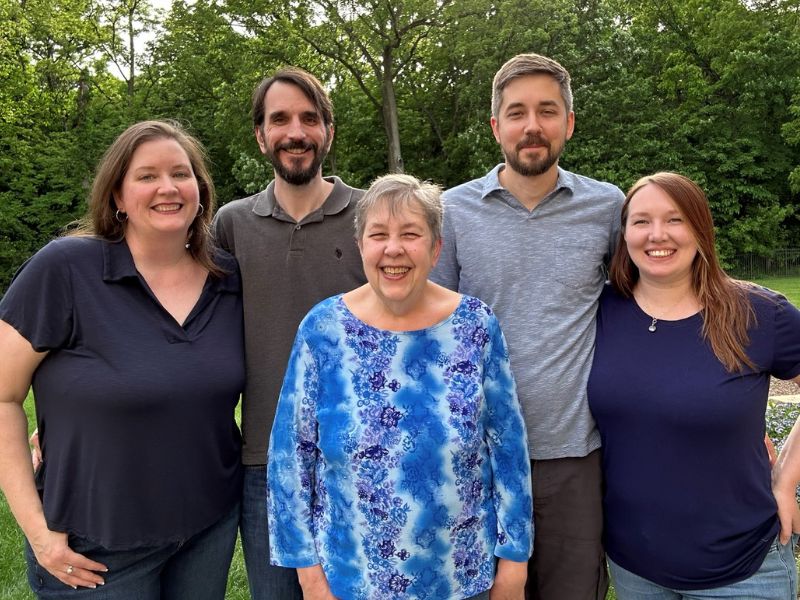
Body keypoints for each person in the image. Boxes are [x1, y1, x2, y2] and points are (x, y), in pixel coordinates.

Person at [0, 120, 244, 598]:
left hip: (208, 526)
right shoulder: (65, 269)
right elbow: (3, 396)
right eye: (147, 176)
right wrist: (38, 533)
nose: (168, 187)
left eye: (181, 173)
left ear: (200, 189)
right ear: (117, 195)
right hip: (95, 544)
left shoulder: (228, 279)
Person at [267, 173, 532, 600]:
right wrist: (310, 578)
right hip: (351, 580)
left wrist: (514, 563)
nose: (394, 249)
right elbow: (290, 458)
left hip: (461, 580)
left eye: (411, 233)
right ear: (361, 247)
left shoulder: (476, 326)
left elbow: (509, 450)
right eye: (379, 235)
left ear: (435, 247)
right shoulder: (323, 329)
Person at [430, 53, 623, 599]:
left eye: (547, 110)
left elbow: (652, 296)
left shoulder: (608, 207)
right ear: (496, 127)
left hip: (573, 456)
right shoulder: (451, 211)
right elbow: (427, 324)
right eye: (516, 113)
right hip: (476, 454)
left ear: (569, 122)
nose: (532, 125)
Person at [587, 172, 800, 599]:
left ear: (701, 229)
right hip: (635, 568)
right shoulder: (598, 310)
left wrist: (786, 477)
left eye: (675, 219)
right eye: (641, 221)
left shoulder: (758, 312)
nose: (657, 234)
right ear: (624, 233)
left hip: (744, 568)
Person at [212, 66, 366, 599]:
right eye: (279, 119)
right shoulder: (230, 225)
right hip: (267, 466)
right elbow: (170, 316)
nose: (295, 132)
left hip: (368, 458)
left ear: (329, 130)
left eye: (308, 118)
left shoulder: (373, 217)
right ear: (260, 135)